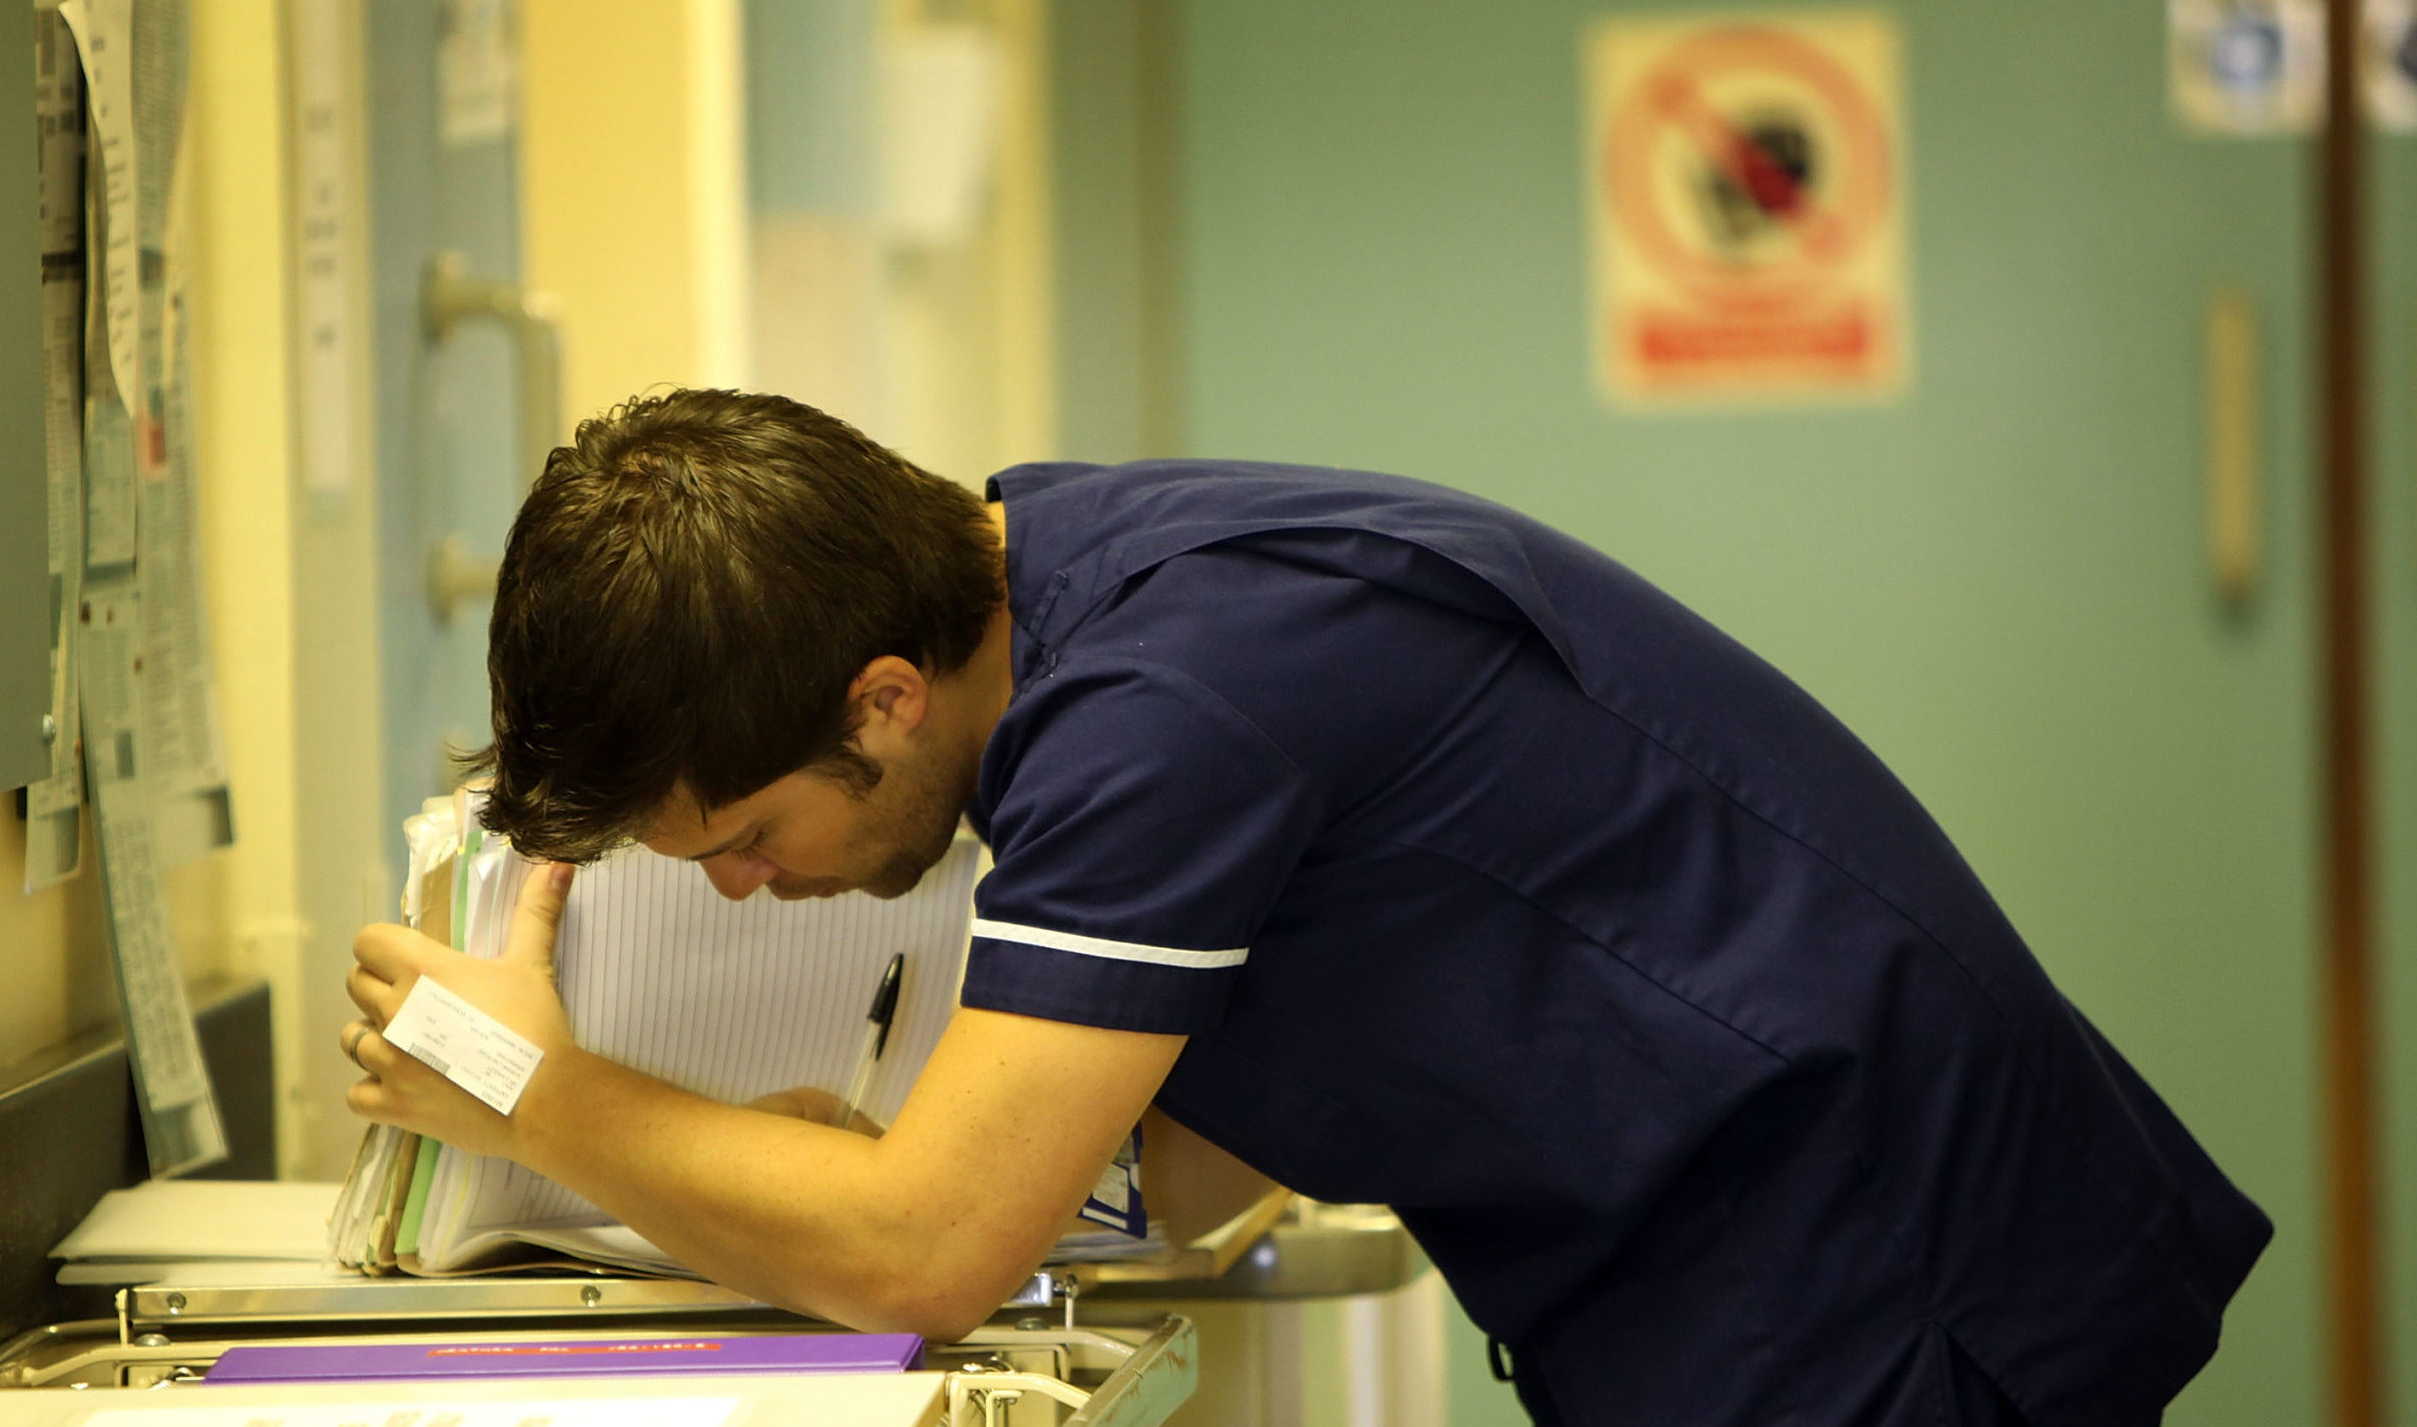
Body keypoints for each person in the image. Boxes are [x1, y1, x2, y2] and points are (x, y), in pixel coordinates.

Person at [342, 387, 2268, 1426]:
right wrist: (847, 1170)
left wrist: (522, 1085)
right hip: (1759, 1248)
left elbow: (932, 1254)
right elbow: (1184, 1165)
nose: (753, 897)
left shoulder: (1164, 706)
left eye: (745, 838)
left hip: (1864, 1265)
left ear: (880, 697)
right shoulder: (1059, 585)